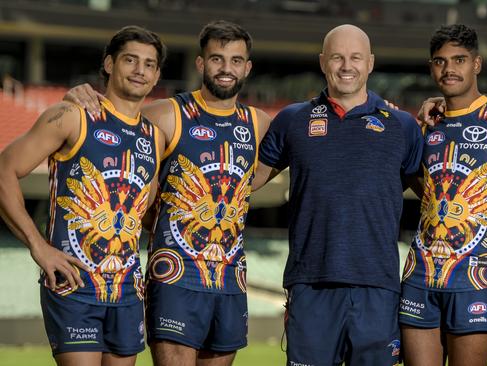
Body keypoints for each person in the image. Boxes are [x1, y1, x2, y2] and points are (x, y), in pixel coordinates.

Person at [65, 20, 271, 366]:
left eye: (236, 60)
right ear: (201, 64)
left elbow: (259, 177)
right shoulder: (164, 115)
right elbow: (108, 129)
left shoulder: (260, 123)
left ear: (247, 68)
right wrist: (76, 96)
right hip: (175, 274)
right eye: (217, 59)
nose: (226, 68)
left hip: (230, 279)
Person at [254, 24, 424, 365]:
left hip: (377, 285)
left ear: (371, 63)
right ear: (322, 62)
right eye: (337, 57)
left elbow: (430, 191)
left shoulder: (402, 125)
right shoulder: (292, 120)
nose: (347, 66)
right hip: (310, 284)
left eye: (356, 57)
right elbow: (248, 181)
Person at [0, 26, 165, 366]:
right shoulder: (72, 115)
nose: (140, 70)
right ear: (108, 64)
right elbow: (3, 170)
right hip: (74, 283)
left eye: (149, 64)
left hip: (126, 290)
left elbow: (141, 210)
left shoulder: (154, 136)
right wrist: (38, 246)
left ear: (157, 74)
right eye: (130, 60)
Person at [398, 24, 487, 366]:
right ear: (431, 67)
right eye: (440, 61)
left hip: (476, 277)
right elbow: (419, 182)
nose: (449, 69)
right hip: (420, 272)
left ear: (477, 64)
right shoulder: (424, 125)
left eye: (459, 60)